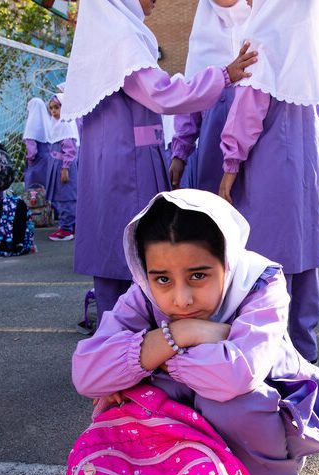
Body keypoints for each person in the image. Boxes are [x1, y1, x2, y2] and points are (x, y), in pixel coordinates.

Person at [72, 189, 319, 475]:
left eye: (198, 276)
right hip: (198, 394)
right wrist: (181, 334)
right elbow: (86, 375)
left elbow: (236, 376)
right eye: (162, 279)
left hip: (270, 410)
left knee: (231, 401)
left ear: (228, 261)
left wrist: (150, 357)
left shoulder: (261, 284)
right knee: (125, 398)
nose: (180, 299)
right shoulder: (144, 295)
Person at [59, 0, 256, 316]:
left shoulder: (106, 33)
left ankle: (115, 339)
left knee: (115, 253)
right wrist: (224, 75)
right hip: (130, 165)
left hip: (113, 161)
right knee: (135, 254)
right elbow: (164, 94)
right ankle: (128, 344)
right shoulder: (122, 39)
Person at [217, 0, 319, 364]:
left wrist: (229, 171)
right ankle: (304, 351)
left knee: (269, 259)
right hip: (305, 172)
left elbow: (247, 116)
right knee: (303, 256)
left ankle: (273, 356)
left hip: (268, 169)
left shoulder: (265, 39)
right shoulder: (311, 51)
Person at [169, 0, 251, 193]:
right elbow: (191, 100)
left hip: (258, 143)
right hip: (214, 145)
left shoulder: (262, 22)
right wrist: (180, 153)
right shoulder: (202, 36)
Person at [46, 93, 80, 242]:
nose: (54, 111)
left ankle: (67, 228)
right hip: (58, 166)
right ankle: (70, 226)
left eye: (57, 107)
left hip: (63, 168)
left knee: (66, 196)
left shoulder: (66, 125)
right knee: (61, 196)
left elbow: (70, 151)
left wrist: (65, 168)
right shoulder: (57, 125)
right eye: (51, 108)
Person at [23, 97, 54, 193]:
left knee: (34, 194)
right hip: (48, 161)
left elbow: (32, 152)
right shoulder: (48, 124)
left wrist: (29, 161)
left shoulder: (31, 126)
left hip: (37, 164)